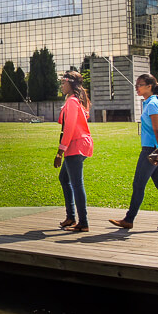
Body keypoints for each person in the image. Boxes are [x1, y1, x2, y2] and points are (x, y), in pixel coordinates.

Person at [110, 73, 158, 231]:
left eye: (139, 85)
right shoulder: (152, 102)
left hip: (152, 151)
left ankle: (129, 220)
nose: (137, 87)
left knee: (138, 184)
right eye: (136, 84)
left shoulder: (151, 104)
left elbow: (157, 129)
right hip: (156, 149)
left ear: (149, 86)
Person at [55, 70, 93, 232]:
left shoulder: (72, 102)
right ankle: (71, 217)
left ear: (71, 83)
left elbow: (69, 128)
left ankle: (83, 222)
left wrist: (59, 152)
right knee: (64, 178)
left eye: (64, 82)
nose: (62, 85)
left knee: (77, 184)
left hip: (75, 145)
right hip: (79, 144)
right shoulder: (76, 100)